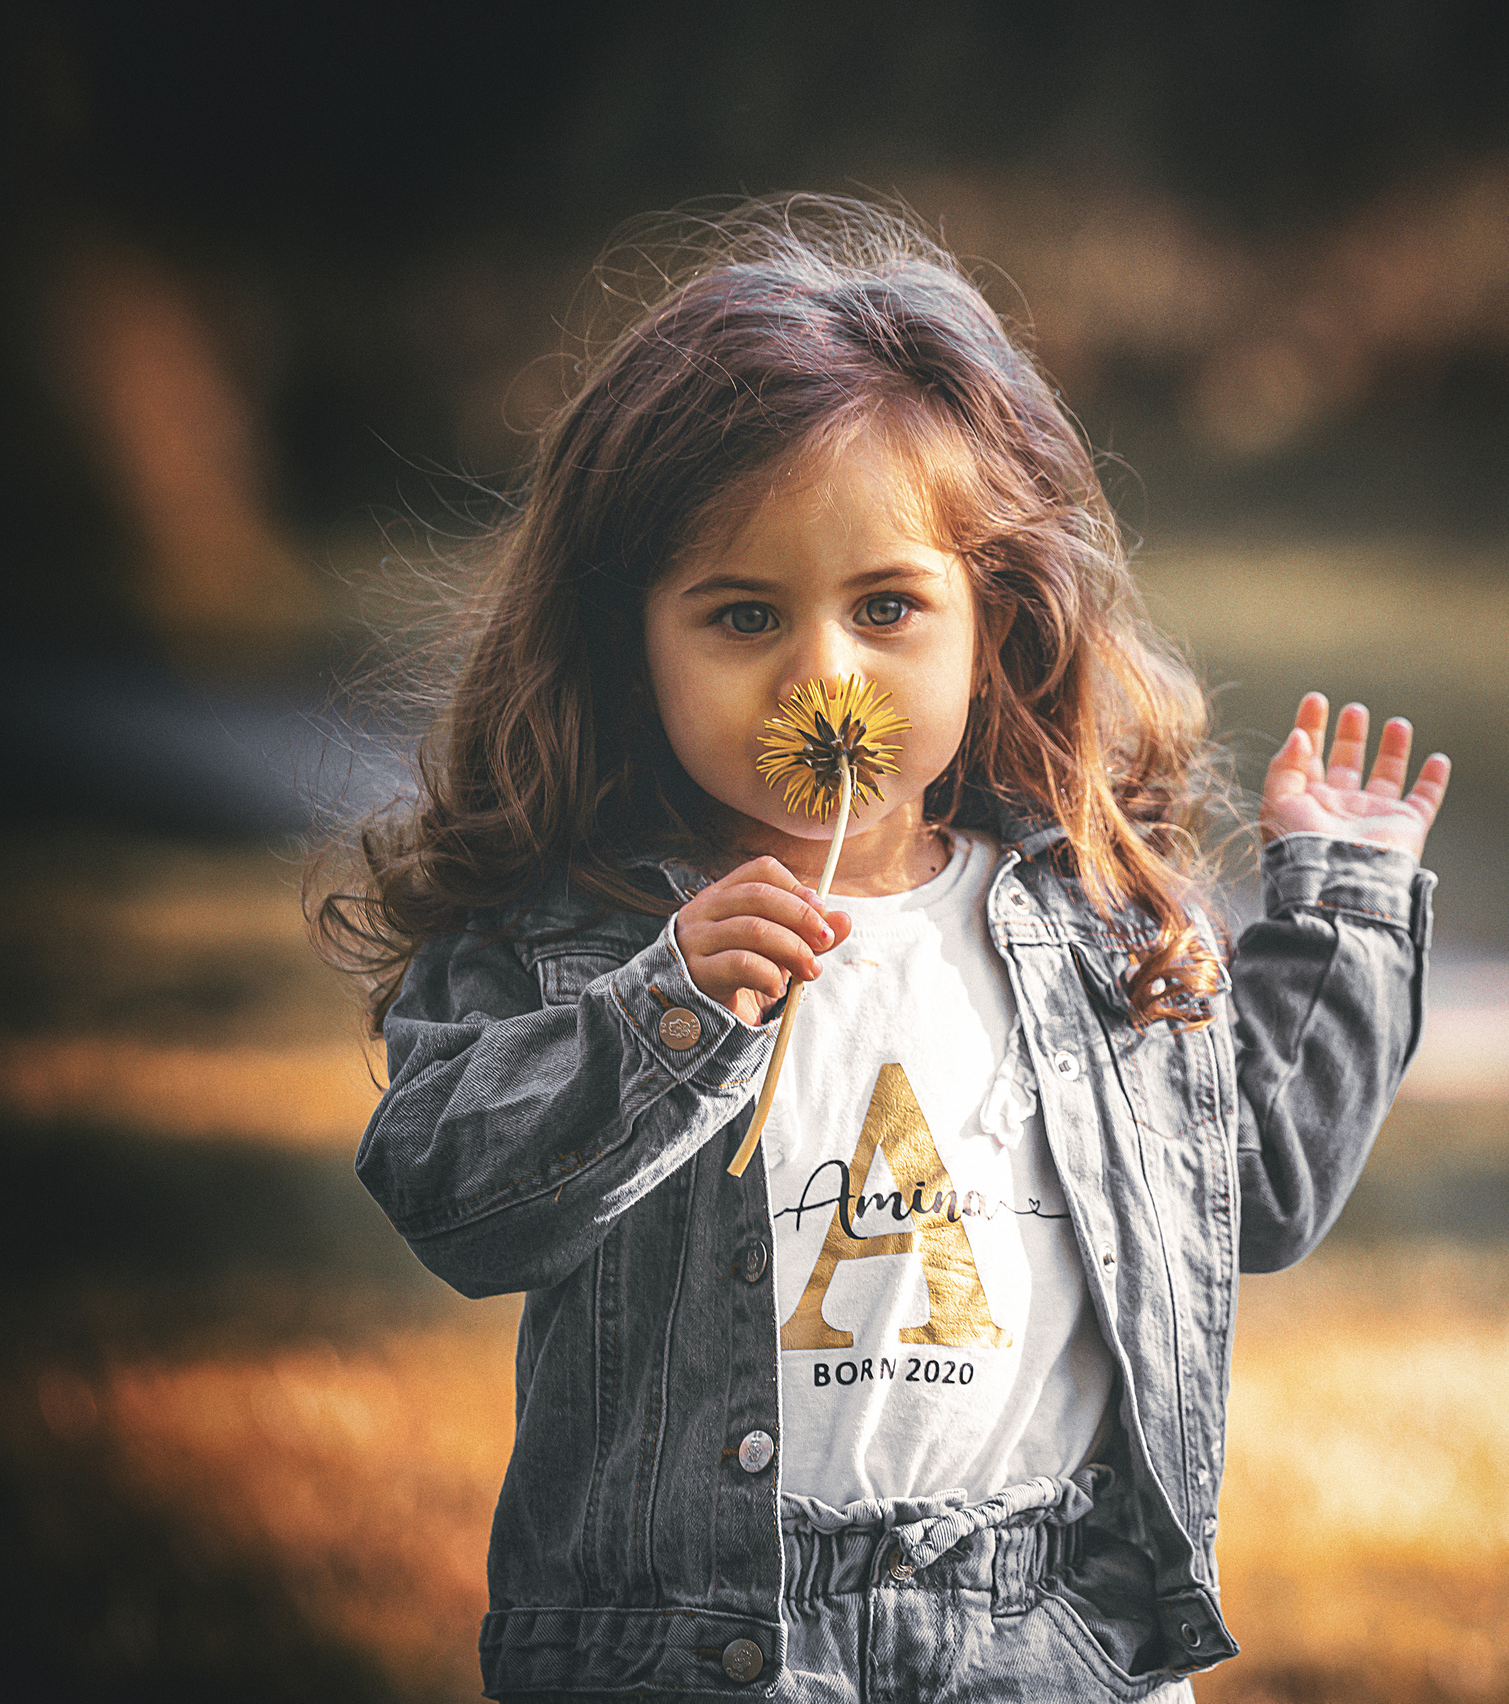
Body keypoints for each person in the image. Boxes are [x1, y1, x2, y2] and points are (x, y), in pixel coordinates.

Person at [316, 197, 1448, 1703]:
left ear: (997, 623)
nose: (821, 673)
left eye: (889, 606)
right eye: (740, 614)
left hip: (1047, 1634)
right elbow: (454, 1197)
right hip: (706, 1651)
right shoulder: (570, 931)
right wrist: (664, 1011)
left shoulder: (1083, 923)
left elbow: (1254, 1183)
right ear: (625, 639)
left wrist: (1344, 911)